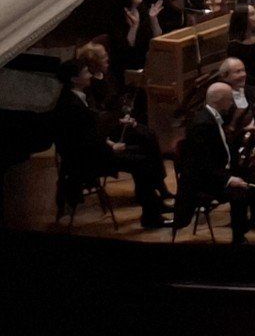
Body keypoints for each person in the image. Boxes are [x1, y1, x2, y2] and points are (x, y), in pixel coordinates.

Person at [173, 82, 255, 244]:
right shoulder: (201, 124)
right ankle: (238, 238)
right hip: (203, 179)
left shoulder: (216, 117)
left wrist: (247, 135)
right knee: (239, 192)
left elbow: (223, 147)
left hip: (218, 171)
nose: (232, 102)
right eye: (229, 99)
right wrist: (229, 179)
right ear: (218, 100)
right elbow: (202, 164)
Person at [53, 59, 169, 228]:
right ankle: (151, 217)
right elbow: (82, 141)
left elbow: (92, 130)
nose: (90, 75)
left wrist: (115, 127)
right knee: (142, 162)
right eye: (86, 72)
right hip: (87, 160)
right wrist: (111, 146)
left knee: (145, 146)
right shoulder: (71, 106)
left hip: (96, 150)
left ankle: (154, 205)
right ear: (74, 79)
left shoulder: (81, 95)